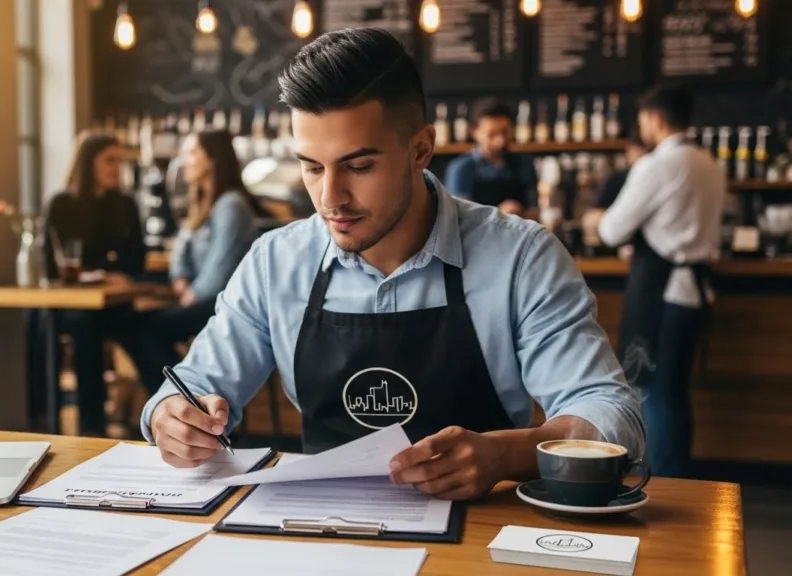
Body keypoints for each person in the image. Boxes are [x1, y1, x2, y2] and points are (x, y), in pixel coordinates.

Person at [141, 28, 644, 501]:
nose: (330, 197)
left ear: (420, 149)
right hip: (321, 529)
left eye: (359, 166)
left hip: (479, 539)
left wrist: (505, 455)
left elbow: (611, 414)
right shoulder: (276, 262)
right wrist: (172, 417)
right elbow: (192, 383)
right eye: (312, 167)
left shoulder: (520, 257)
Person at [587, 86, 725, 479]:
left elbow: (613, 230)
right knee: (675, 393)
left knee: (654, 391)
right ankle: (675, 475)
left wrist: (596, 220)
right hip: (696, 293)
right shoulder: (708, 162)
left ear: (656, 119)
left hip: (662, 294)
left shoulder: (657, 165)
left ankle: (663, 482)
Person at [129, 129, 262, 391]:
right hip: (205, 301)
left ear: (211, 159)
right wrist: (179, 276)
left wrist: (191, 294)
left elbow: (221, 270)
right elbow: (181, 248)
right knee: (136, 326)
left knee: (148, 331)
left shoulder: (231, 205)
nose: (184, 159)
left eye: (191, 153)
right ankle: (180, 400)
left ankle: (187, 402)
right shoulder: (203, 204)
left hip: (225, 306)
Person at [43, 131, 146, 436]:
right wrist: (104, 269)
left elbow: (136, 260)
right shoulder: (61, 204)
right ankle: (92, 428)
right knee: (85, 326)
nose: (117, 168)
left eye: (120, 161)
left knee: (144, 331)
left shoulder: (126, 204)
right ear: (89, 163)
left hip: (114, 303)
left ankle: (167, 413)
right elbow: (53, 265)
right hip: (74, 306)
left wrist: (103, 271)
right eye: (110, 160)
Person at [443, 98, 538, 218]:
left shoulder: (524, 164)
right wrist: (500, 214)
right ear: (474, 132)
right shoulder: (461, 169)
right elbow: (459, 219)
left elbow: (535, 212)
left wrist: (521, 213)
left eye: (504, 132)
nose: (500, 141)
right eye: (491, 135)